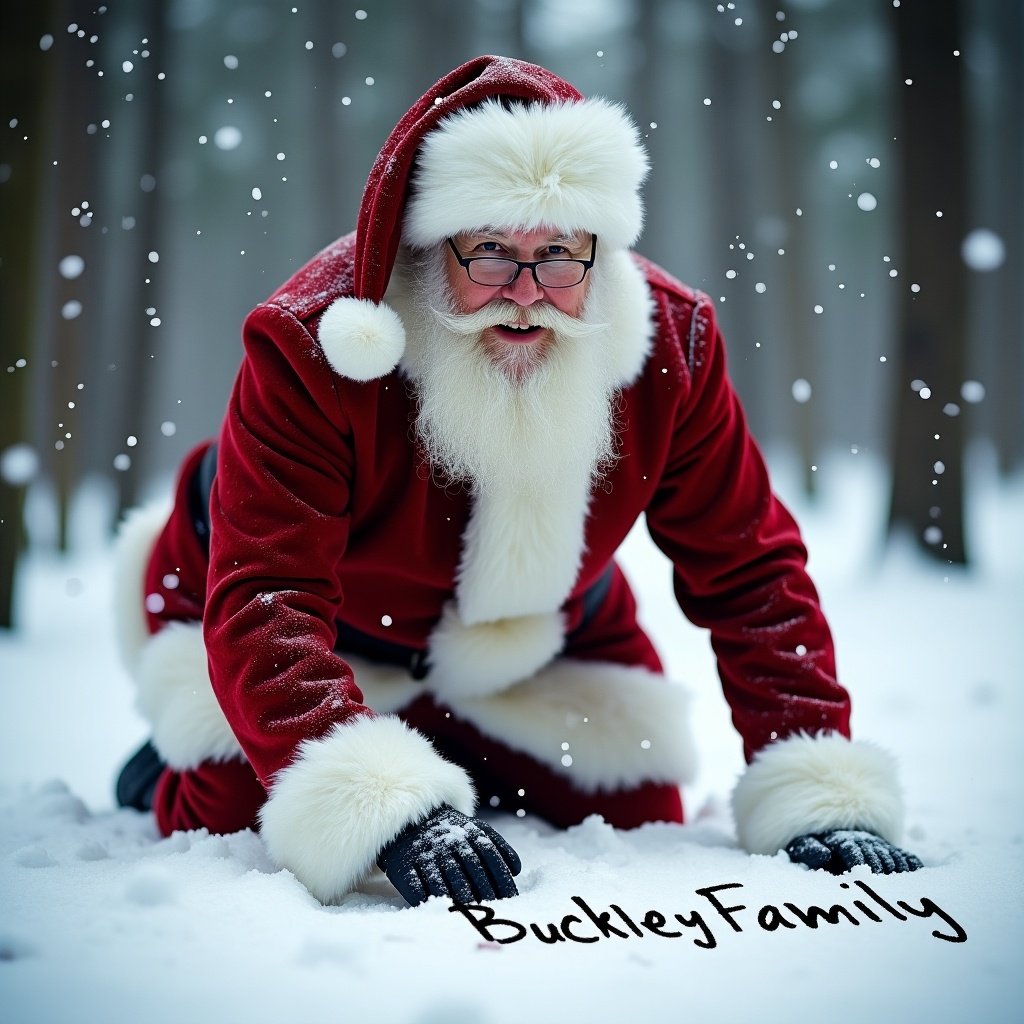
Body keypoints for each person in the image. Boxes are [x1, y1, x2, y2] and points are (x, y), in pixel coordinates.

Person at [113, 55, 921, 908]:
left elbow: (751, 570)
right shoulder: (317, 342)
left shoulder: (671, 348)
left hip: (533, 637)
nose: (526, 297)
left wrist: (816, 787)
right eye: (492, 253)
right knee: (235, 813)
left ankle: (443, 737)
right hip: (300, 621)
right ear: (431, 247)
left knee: (636, 803)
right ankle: (174, 757)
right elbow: (266, 593)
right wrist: (388, 807)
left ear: (599, 250)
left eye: (559, 256)